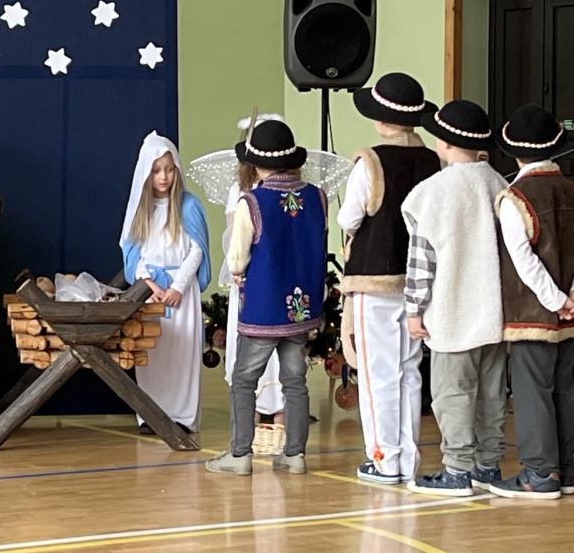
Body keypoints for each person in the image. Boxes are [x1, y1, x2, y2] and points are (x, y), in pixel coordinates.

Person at [488, 104, 574, 500]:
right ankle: (565, 471)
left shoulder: (514, 198)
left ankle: (538, 473)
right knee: (565, 390)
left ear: (514, 152)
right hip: (571, 312)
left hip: (533, 314)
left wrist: (555, 300)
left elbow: (524, 261)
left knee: (532, 390)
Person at [401, 100, 509, 496]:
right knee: (492, 393)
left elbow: (421, 260)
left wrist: (414, 309)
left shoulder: (431, 193)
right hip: (494, 310)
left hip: (451, 310)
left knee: (452, 393)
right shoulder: (499, 184)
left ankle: (457, 469)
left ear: (443, 143)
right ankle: (488, 465)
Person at [338, 72, 439, 484]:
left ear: (381, 119)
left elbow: (349, 217)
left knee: (377, 371)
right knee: (409, 369)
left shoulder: (371, 161)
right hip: (418, 280)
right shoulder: (432, 160)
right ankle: (408, 458)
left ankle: (384, 458)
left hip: (375, 277)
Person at [206, 119, 324, 475]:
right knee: (295, 380)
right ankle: (295, 454)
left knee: (244, 379)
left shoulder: (253, 202)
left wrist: (238, 270)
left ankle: (240, 454)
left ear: (255, 163)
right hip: (302, 307)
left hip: (264, 306)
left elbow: (237, 257)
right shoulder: (317, 197)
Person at [121, 132, 211, 434]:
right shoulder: (141, 209)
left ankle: (182, 417)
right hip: (151, 293)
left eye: (169, 169)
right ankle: (152, 414)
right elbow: (133, 250)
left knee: (181, 355)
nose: (164, 177)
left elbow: (197, 250)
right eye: (157, 170)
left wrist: (177, 287)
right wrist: (147, 282)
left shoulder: (188, 206)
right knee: (153, 355)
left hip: (180, 293)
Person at [221, 116, 285, 431]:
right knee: (249, 344)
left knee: (278, 346)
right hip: (249, 277)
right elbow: (234, 235)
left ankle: (279, 409)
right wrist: (239, 266)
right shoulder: (241, 190)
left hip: (278, 277)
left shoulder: (290, 190)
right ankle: (251, 412)